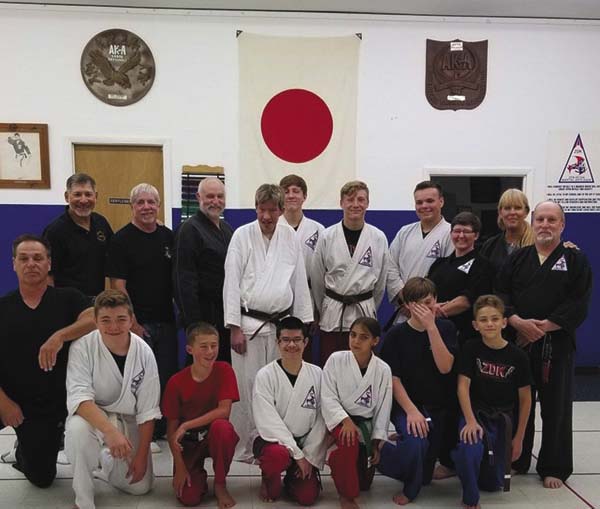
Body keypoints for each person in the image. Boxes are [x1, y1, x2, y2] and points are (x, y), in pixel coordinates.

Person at [496, 201, 592, 489]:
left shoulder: (576, 260)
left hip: (556, 344)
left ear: (562, 224)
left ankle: (554, 466)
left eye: (552, 220)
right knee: (516, 403)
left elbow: (579, 302)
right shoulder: (518, 258)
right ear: (533, 222)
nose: (545, 225)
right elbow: (501, 293)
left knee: (556, 406)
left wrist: (543, 327)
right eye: (540, 219)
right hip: (518, 342)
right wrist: (515, 321)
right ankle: (517, 458)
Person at [223, 183, 313, 461]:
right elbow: (231, 281)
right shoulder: (242, 235)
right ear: (255, 208)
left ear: (282, 210)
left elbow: (299, 281)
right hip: (248, 326)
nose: (266, 216)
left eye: (272, 210)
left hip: (281, 326)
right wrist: (234, 327)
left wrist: (302, 325)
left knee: (277, 385)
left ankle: (275, 442)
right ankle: (246, 445)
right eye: (261, 210)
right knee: (247, 385)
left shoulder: (289, 237)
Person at [0, 234, 94, 487]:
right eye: (24, 258)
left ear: (49, 263)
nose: (31, 263)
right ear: (14, 264)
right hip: (6, 396)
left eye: (38, 258)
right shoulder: (3, 307)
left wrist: (59, 336)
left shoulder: (68, 298)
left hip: (46, 405)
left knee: (42, 478)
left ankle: (23, 450)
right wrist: (4, 403)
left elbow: (94, 318)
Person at [64, 289, 162, 509]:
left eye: (121, 319)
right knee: (77, 430)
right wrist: (110, 432)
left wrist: (141, 456)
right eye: (106, 320)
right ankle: (83, 500)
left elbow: (148, 410)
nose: (114, 327)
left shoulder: (144, 353)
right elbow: (80, 399)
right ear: (96, 321)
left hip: (128, 417)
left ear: (131, 320)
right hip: (93, 416)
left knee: (140, 486)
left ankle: (105, 462)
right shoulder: (82, 347)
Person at [106, 183, 177, 445]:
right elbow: (118, 286)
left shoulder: (168, 237)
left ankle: (160, 430)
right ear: (132, 206)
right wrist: (133, 323)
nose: (146, 207)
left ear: (158, 205)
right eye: (140, 202)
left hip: (166, 321)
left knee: (165, 377)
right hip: (139, 324)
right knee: (139, 379)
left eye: (151, 202)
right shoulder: (121, 240)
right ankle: (139, 432)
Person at [378, 277, 457, 505]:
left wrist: (431, 327)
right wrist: (412, 411)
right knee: (416, 442)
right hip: (406, 405)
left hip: (437, 406)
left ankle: (397, 452)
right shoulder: (396, 335)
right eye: (418, 304)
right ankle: (396, 471)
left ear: (436, 300)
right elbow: (393, 379)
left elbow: (445, 367)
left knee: (426, 476)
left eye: (429, 302)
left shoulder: (446, 328)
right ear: (408, 306)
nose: (425, 309)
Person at [452, 295, 532, 509]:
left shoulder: (518, 356)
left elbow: (526, 399)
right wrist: (470, 421)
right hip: (475, 414)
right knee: (470, 447)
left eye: (495, 319)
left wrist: (519, 438)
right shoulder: (470, 348)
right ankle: (470, 499)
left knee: (492, 484)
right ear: (475, 325)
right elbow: (462, 387)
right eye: (484, 319)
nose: (489, 324)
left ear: (504, 322)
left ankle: (470, 467)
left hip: (501, 419)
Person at [310, 181, 389, 366]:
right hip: (333, 313)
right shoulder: (327, 236)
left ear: (367, 203)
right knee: (331, 367)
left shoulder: (378, 237)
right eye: (350, 199)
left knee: (361, 367)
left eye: (361, 199)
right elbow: (317, 279)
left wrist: (369, 304)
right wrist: (325, 307)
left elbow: (380, 283)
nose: (355, 204)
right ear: (341, 203)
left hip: (363, 310)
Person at [162, 322, 239, 508]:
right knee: (189, 498)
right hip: (188, 443)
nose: (210, 352)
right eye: (203, 346)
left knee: (223, 428)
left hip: (213, 436)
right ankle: (197, 476)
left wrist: (186, 424)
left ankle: (220, 484)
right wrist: (180, 467)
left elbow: (224, 411)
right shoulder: (176, 382)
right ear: (189, 349)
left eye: (214, 345)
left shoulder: (224, 370)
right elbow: (172, 432)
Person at [252, 316, 328, 505]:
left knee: (307, 497)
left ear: (306, 342)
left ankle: (293, 479)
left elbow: (322, 418)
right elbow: (268, 421)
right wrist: (297, 455)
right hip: (274, 444)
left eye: (297, 340)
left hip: (306, 444)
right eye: (285, 340)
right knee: (276, 461)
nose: (291, 345)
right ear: (277, 342)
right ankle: (269, 477)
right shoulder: (265, 376)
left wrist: (309, 456)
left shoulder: (318, 374)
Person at [321, 317, 392, 509]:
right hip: (339, 420)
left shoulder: (383, 369)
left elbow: (383, 408)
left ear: (375, 341)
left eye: (363, 337)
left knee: (365, 484)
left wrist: (376, 443)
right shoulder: (336, 360)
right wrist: (345, 420)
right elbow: (327, 395)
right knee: (349, 440)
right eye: (353, 335)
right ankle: (347, 495)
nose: (356, 341)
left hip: (365, 425)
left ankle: (337, 460)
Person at [173, 176, 234, 363]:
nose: (216, 201)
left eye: (220, 196)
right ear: (198, 197)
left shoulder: (226, 229)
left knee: (222, 369)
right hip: (202, 318)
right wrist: (194, 325)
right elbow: (183, 281)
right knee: (201, 368)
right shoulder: (189, 229)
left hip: (224, 317)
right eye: (210, 196)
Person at [386, 181, 453, 326]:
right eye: (419, 202)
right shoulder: (405, 232)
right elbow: (390, 267)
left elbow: (449, 275)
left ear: (441, 201)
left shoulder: (451, 233)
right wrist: (406, 300)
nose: (424, 206)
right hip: (404, 309)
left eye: (430, 201)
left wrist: (425, 304)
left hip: (433, 312)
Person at [427, 212, 494, 346]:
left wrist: (435, 312)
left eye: (466, 231)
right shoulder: (439, 264)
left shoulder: (483, 265)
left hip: (463, 336)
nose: (461, 236)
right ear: (451, 234)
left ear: (476, 235)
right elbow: (426, 292)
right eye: (457, 231)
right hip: (433, 331)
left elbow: (466, 301)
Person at [43, 173, 113, 297]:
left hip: (96, 300)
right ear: (67, 197)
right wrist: (52, 303)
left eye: (88, 194)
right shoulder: (55, 231)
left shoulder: (101, 223)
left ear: (96, 196)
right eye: (77, 194)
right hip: (66, 303)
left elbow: (115, 254)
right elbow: (48, 274)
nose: (83, 200)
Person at [279, 174, 325, 362]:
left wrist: (317, 310)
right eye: (286, 191)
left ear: (304, 196)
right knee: (280, 351)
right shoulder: (273, 227)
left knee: (303, 352)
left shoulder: (318, 230)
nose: (291, 195)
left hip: (308, 295)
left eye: (296, 191)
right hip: (279, 296)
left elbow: (322, 273)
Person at [479, 189, 534, 274]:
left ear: (526, 212)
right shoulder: (490, 246)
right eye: (507, 208)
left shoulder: (538, 244)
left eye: (518, 208)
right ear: (500, 212)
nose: (512, 212)